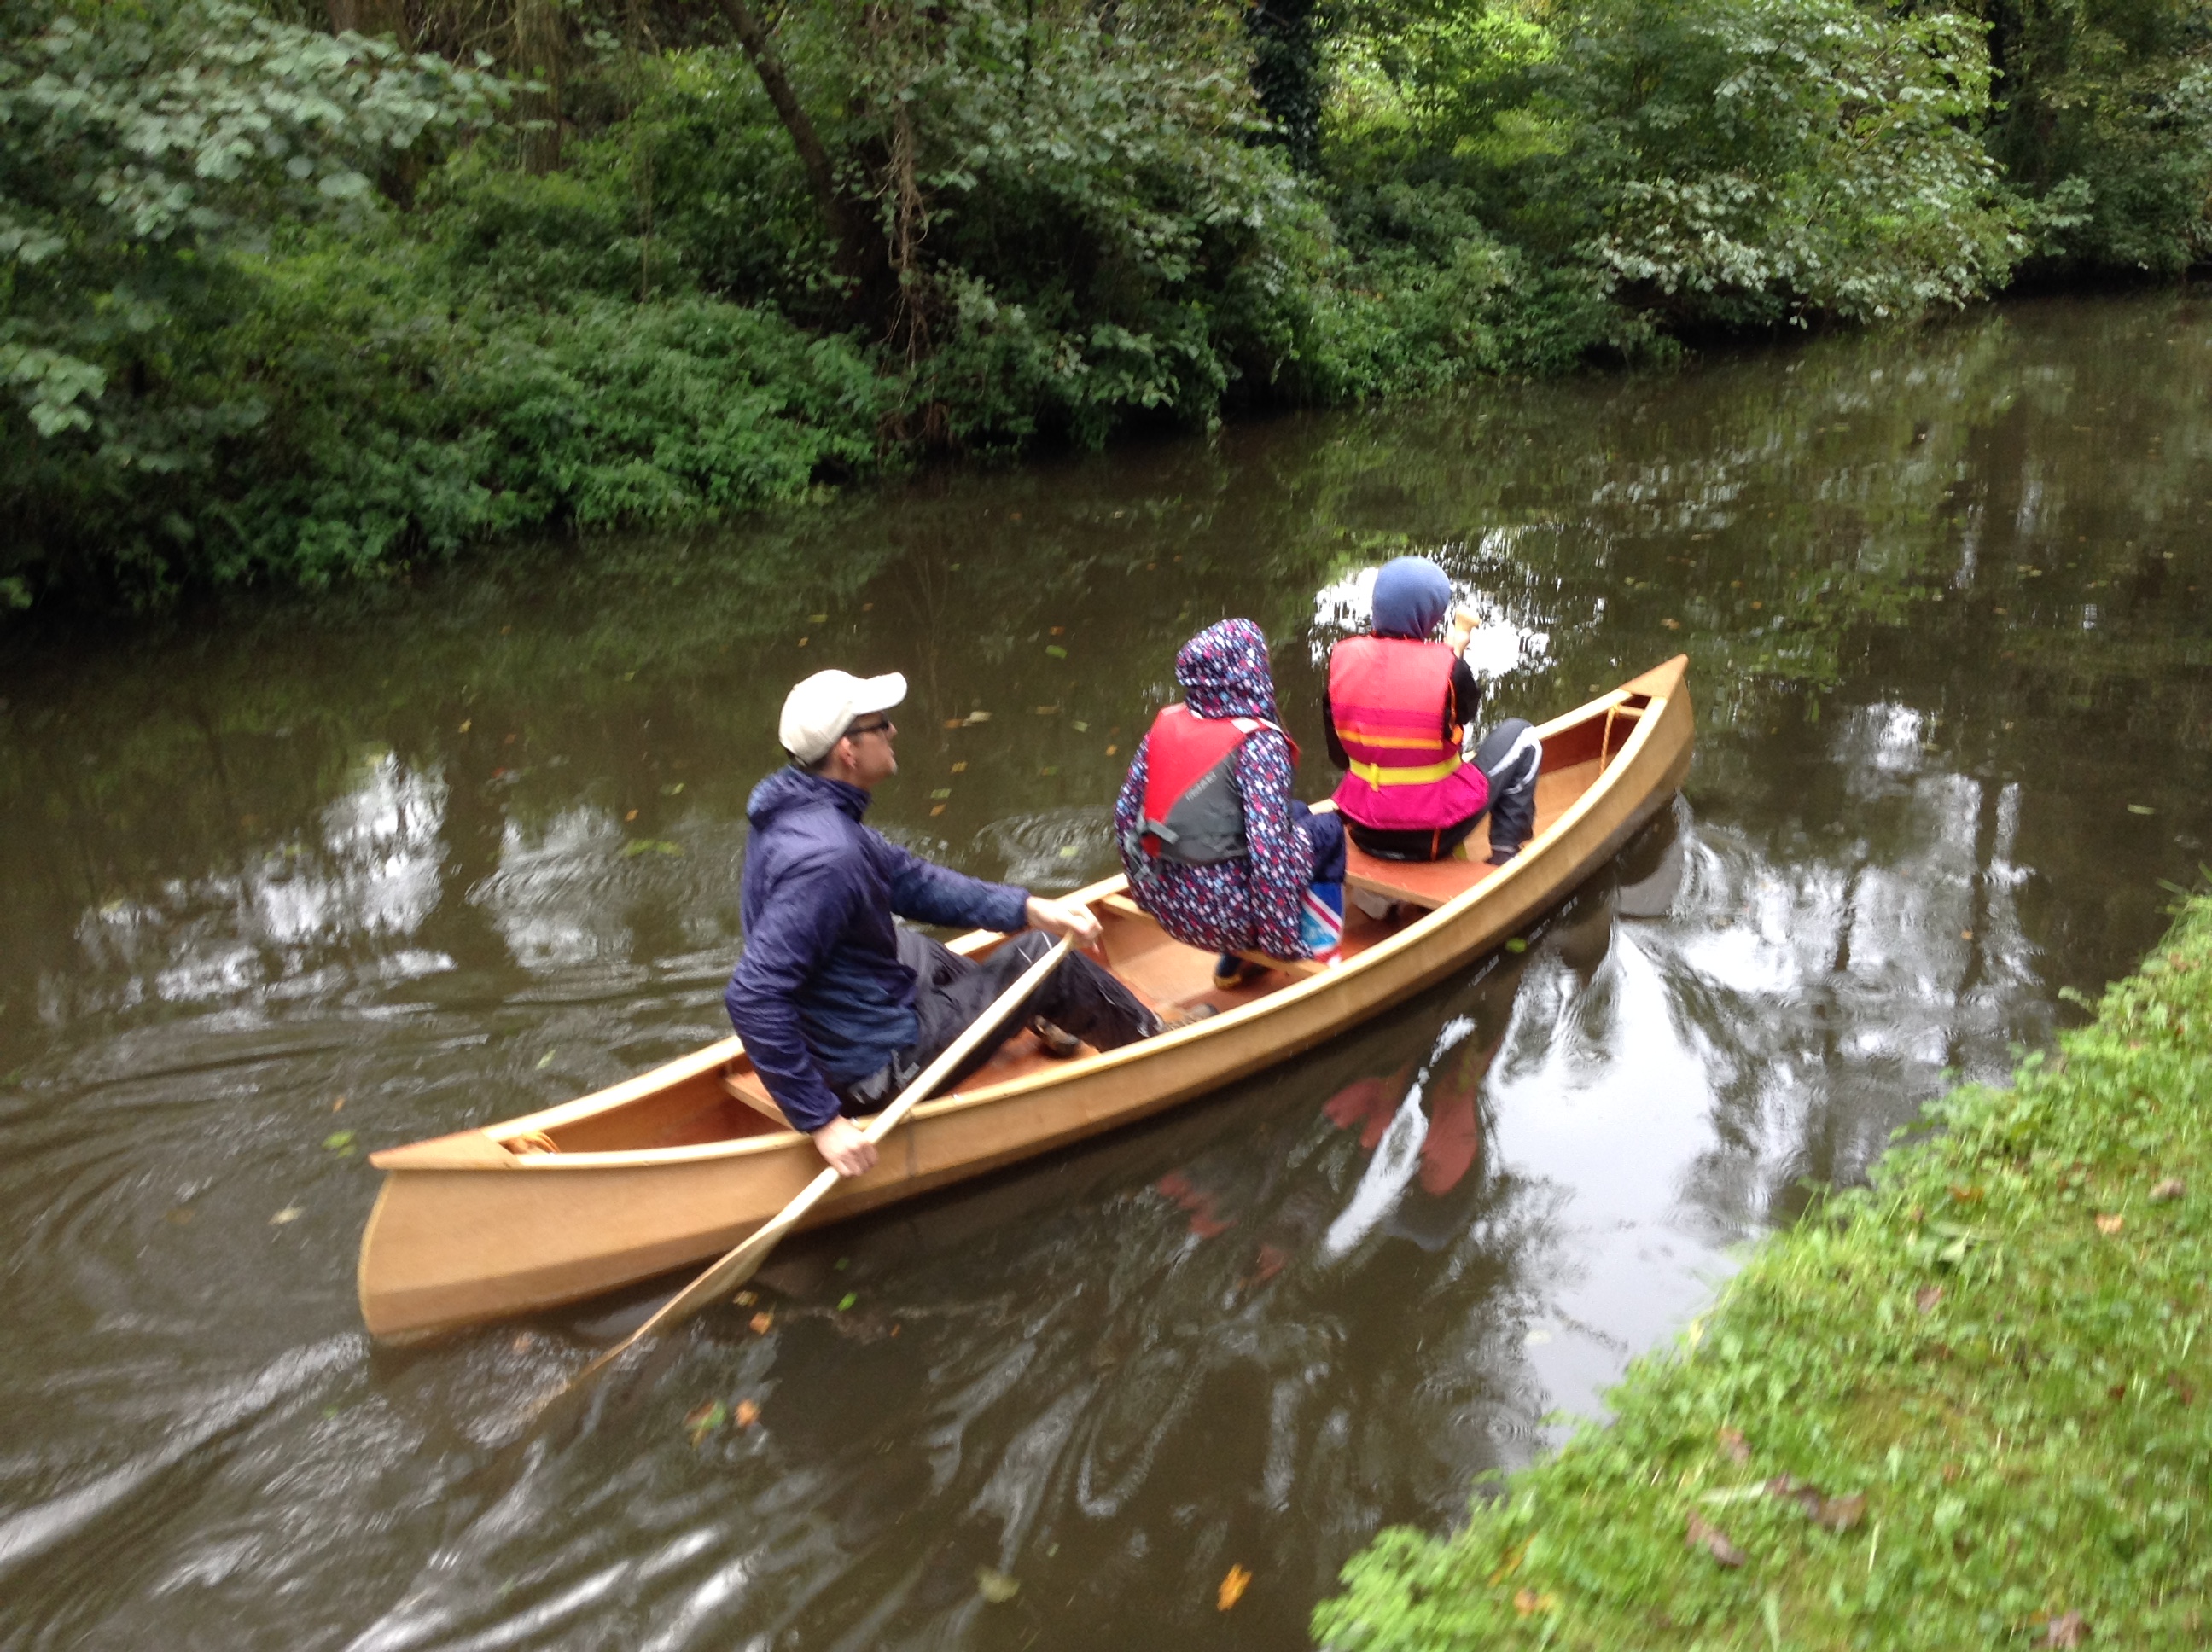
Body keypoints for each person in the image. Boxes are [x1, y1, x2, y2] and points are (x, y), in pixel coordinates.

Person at [727, 668, 1163, 1178]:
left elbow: (912, 882)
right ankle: (1155, 1043)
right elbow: (753, 996)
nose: (892, 732)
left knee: (906, 943)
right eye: (881, 724)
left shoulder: (801, 809)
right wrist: (822, 1123)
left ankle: (1028, 1010)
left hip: (844, 1024)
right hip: (869, 1070)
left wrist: (1025, 907)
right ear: (848, 750)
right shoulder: (831, 857)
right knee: (1046, 959)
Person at [1114, 619, 1346, 989]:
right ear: (1249, 669)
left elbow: (1125, 817)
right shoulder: (1259, 745)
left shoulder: (1167, 723)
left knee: (1297, 813)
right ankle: (1322, 952)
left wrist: (1146, 899)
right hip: (1229, 919)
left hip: (1167, 905)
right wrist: (1279, 941)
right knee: (1330, 830)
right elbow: (1269, 858)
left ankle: (1231, 967)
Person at [1324, 556, 1541, 865]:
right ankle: (1504, 855)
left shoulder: (1341, 661)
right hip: (1430, 837)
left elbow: (1339, 756)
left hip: (1362, 830)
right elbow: (1462, 717)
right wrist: (1454, 659)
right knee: (1523, 735)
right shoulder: (1450, 669)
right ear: (1428, 616)